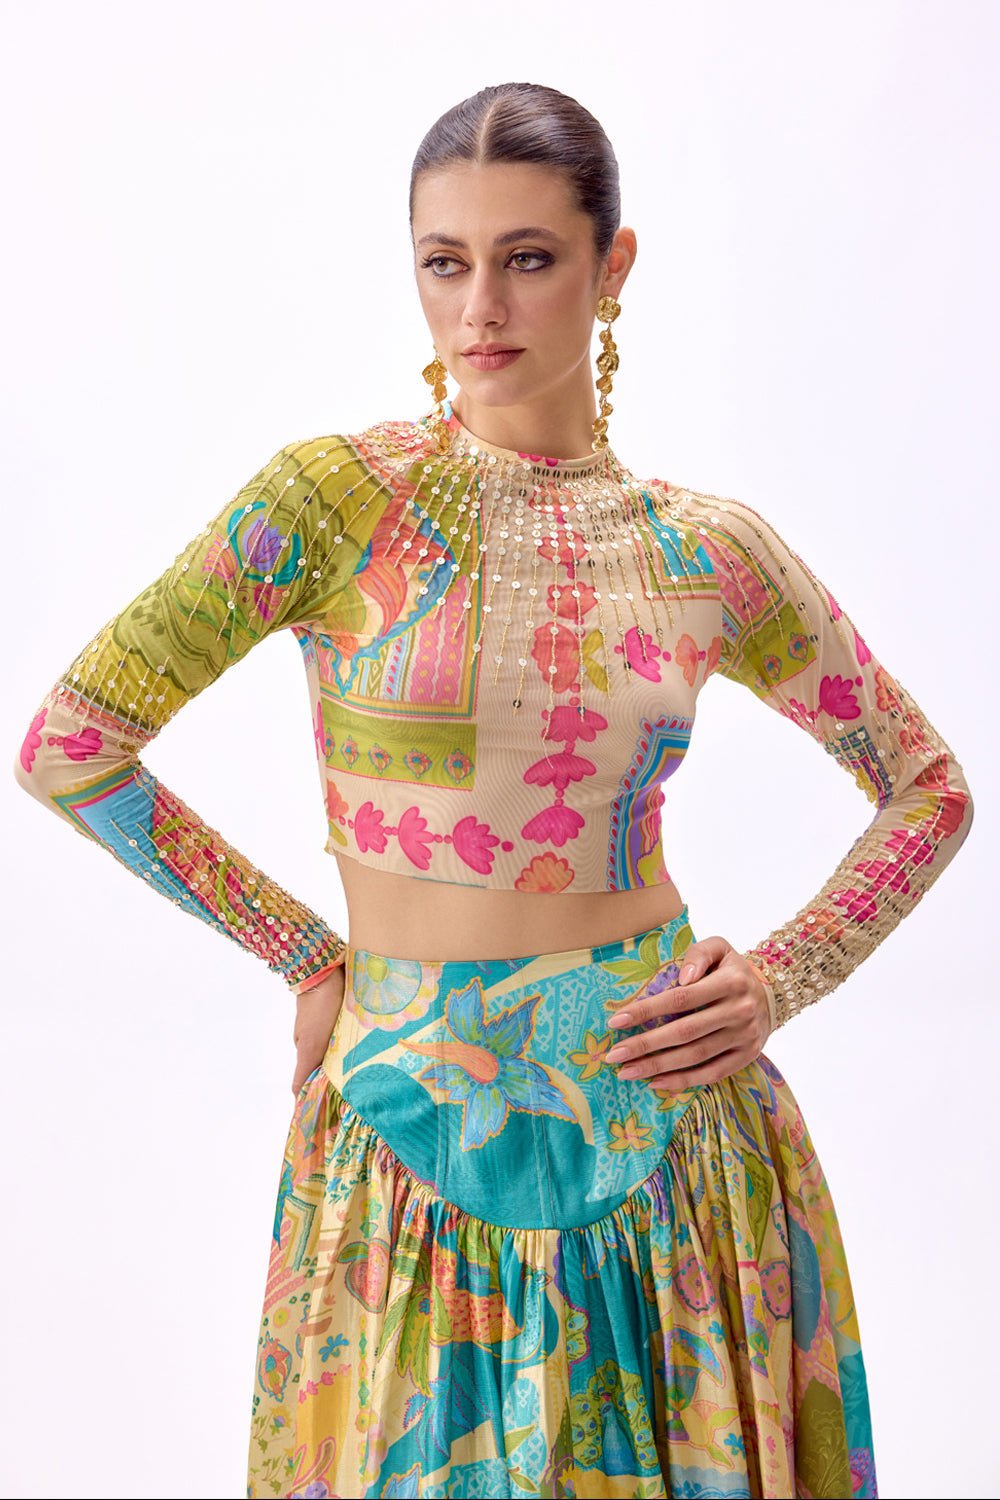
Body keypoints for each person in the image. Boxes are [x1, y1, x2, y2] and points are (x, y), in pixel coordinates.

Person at [15, 81, 971, 1500]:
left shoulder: (705, 550)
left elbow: (926, 786)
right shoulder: (333, 503)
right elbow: (73, 742)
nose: (479, 309)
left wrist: (782, 978)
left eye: (527, 258)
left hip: (668, 1135)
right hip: (403, 1135)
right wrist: (306, 954)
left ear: (612, 265)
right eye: (443, 262)